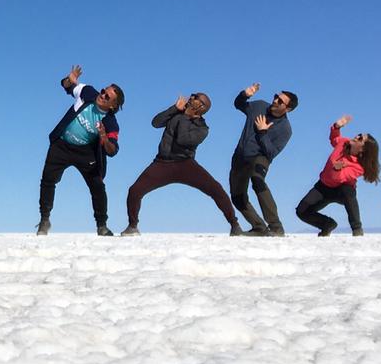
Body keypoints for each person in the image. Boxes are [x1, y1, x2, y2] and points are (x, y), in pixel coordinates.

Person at [121, 93, 243, 236]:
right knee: (135, 190)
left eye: (195, 97)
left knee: (216, 189)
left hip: (185, 165)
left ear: (202, 107)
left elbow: (183, 139)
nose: (191, 98)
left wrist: (186, 116)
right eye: (192, 95)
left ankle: (235, 225)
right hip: (162, 163)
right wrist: (174, 109)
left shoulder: (202, 128)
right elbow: (155, 123)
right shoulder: (177, 113)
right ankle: (133, 226)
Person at [36, 65, 122, 236]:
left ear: (112, 106)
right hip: (61, 145)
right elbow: (66, 86)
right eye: (104, 90)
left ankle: (102, 226)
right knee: (48, 180)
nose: (102, 94)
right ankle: (44, 220)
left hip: (86, 153)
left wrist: (104, 139)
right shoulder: (88, 92)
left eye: (107, 96)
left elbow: (113, 151)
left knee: (97, 187)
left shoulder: (111, 123)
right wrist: (70, 80)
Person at [229, 82, 297, 236]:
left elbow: (271, 152)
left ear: (288, 109)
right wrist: (245, 95)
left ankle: (276, 227)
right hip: (240, 156)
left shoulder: (285, 129)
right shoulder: (259, 106)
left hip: (260, 158)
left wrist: (263, 133)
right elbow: (238, 105)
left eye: (280, 101)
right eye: (276, 97)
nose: (275, 101)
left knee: (258, 181)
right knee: (237, 196)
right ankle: (259, 227)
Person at [294, 115, 380, 236]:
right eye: (359, 134)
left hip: (341, 191)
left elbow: (340, 178)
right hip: (323, 187)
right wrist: (336, 126)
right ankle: (327, 224)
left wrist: (336, 169)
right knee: (301, 211)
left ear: (363, 150)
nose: (357, 136)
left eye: (360, 138)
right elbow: (335, 139)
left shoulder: (359, 166)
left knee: (348, 191)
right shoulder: (344, 143)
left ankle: (357, 229)